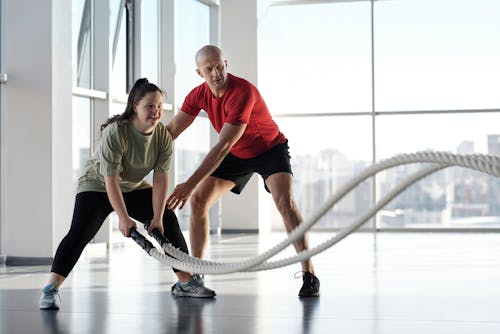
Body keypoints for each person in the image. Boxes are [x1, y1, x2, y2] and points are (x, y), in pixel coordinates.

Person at [39, 78, 215, 311]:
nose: (156, 111)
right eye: (150, 106)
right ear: (135, 106)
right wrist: (123, 217)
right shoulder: (116, 133)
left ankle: (185, 282)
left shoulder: (162, 136)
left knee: (169, 220)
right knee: (80, 232)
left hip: (132, 186)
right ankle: (51, 288)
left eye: (160, 106)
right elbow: (110, 180)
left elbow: (161, 179)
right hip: (97, 185)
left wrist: (158, 217)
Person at [165, 45, 320, 297]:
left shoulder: (243, 92)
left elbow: (223, 145)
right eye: (209, 69)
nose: (216, 73)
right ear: (199, 73)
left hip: (269, 149)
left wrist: (188, 183)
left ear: (225, 63)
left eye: (219, 66)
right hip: (238, 154)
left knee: (285, 203)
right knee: (199, 200)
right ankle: (195, 277)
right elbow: (170, 131)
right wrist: (135, 147)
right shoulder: (198, 95)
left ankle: (309, 274)